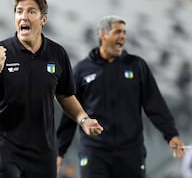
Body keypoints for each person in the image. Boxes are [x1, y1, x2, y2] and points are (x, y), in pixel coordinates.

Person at [0, 0, 103, 178]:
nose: (24, 16)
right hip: (5, 146)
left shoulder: (57, 54)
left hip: (43, 151)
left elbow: (65, 95)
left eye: (31, 11)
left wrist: (83, 119)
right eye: (19, 11)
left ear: (43, 19)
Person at [56, 15, 185, 178]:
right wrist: (59, 151)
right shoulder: (82, 70)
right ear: (102, 35)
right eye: (117, 32)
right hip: (95, 152)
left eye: (124, 33)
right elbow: (71, 114)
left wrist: (171, 134)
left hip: (130, 152)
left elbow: (155, 104)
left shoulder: (137, 66)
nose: (122, 36)